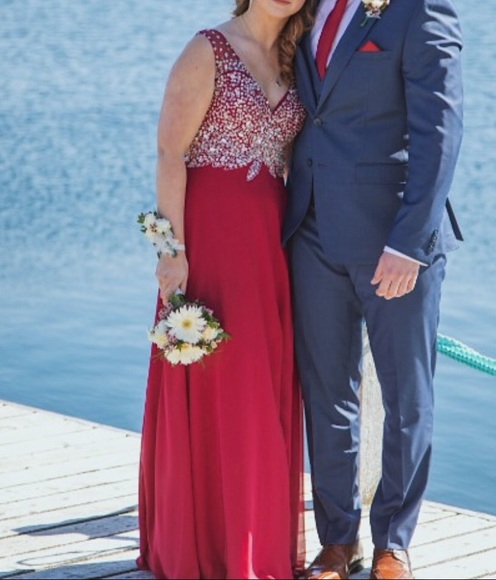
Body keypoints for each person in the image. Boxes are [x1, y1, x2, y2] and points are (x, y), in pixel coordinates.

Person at [284, 0, 464, 578]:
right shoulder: (307, 6)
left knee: (406, 396)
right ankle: (338, 540)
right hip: (310, 231)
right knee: (325, 392)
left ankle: (393, 541)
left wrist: (410, 243)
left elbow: (440, 129)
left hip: (393, 240)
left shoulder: (420, 9)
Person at [137, 1, 315, 578]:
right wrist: (172, 252)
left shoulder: (296, 58)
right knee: (217, 385)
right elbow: (169, 153)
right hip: (209, 244)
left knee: (258, 389)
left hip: (270, 249)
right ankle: (204, 545)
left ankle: (254, 545)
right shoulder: (207, 50)